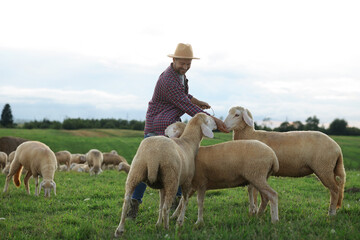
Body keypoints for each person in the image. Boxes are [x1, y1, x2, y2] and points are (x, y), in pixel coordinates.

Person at [126, 43, 228, 219]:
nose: (186, 67)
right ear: (174, 60)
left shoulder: (180, 76)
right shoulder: (168, 80)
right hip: (159, 126)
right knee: (145, 166)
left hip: (171, 125)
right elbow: (185, 104)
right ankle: (133, 204)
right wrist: (215, 121)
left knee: (178, 164)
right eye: (182, 63)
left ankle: (174, 200)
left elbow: (186, 97)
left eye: (189, 64)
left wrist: (199, 101)